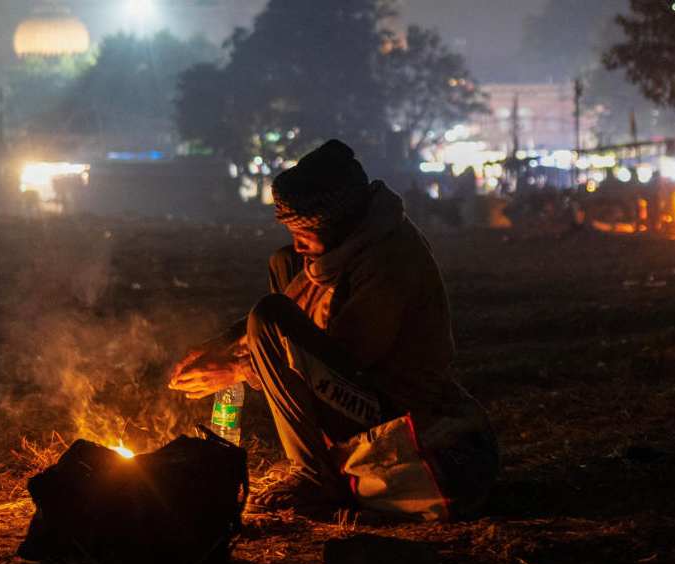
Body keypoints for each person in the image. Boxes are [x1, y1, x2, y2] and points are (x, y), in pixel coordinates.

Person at [169, 140, 498, 520]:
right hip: (356, 387)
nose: (297, 243)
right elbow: (293, 329)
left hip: (395, 405)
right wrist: (224, 345)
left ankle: (314, 479)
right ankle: (318, 461)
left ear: (337, 223)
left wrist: (241, 369)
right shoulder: (339, 252)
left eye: (303, 232)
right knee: (285, 267)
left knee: (273, 314)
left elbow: (344, 362)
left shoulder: (387, 261)